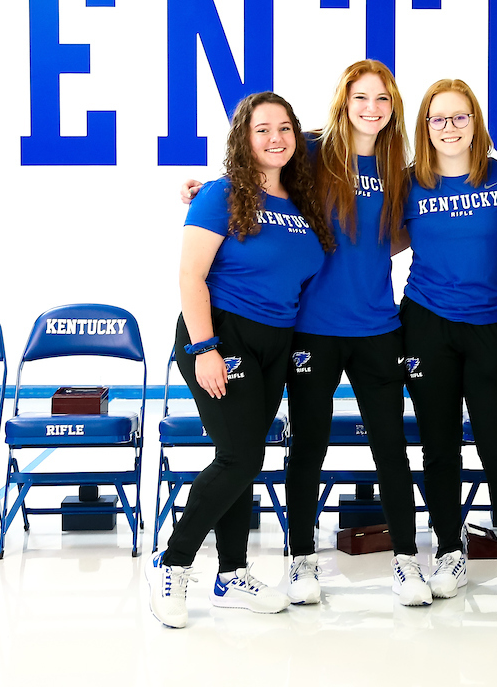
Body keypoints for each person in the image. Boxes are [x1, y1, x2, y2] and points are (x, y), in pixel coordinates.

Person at [181, 61, 428, 606]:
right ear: (343, 102)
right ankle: (300, 560)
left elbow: (401, 232)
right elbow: (259, 162)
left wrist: (373, 250)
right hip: (311, 328)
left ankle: (407, 561)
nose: (371, 108)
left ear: (393, 107)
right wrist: (206, 187)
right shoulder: (312, 149)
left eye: (382, 99)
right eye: (360, 97)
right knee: (307, 448)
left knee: (391, 447)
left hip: (378, 325)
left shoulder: (398, 167)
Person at [147, 92, 335, 629]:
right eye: (262, 130)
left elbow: (338, 135)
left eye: (285, 128)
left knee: (243, 455)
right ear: (242, 139)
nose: (276, 138)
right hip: (223, 336)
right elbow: (191, 276)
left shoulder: (301, 198)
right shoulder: (221, 194)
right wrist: (205, 348)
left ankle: (231, 575)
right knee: (240, 456)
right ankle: (173, 564)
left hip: (277, 341)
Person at [399, 78, 497, 600]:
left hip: (492, 326)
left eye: (461, 116)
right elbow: (372, 241)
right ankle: (448, 552)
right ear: (425, 126)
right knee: (439, 446)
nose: (450, 127)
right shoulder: (408, 181)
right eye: (438, 118)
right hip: (426, 322)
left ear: (476, 122)